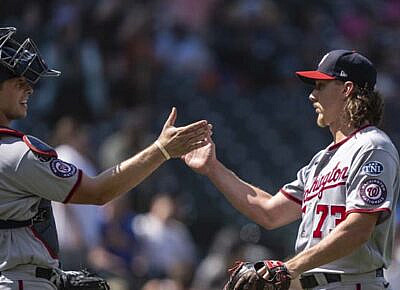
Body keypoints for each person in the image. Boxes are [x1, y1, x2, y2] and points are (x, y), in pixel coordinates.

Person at [0, 26, 211, 289]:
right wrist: (162, 149)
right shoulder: (17, 155)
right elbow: (99, 192)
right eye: (18, 82)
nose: (29, 89)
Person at [184, 49, 399, 289]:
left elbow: (358, 229)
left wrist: (288, 268)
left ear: (346, 89)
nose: (311, 95)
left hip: (355, 283)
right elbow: (269, 212)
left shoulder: (372, 146)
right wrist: (212, 167)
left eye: (320, 86)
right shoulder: (320, 161)